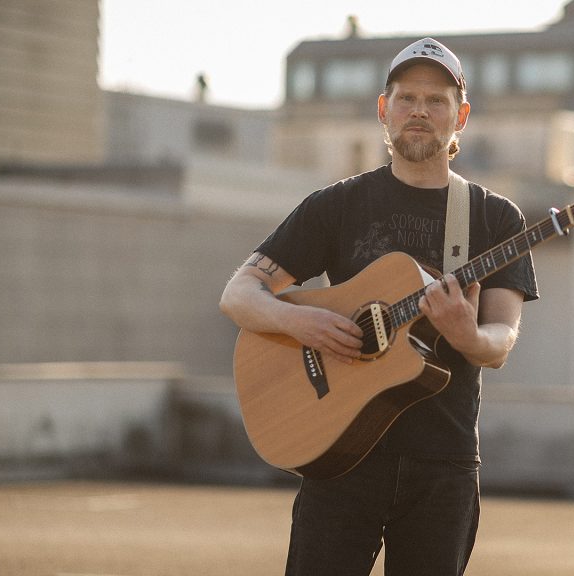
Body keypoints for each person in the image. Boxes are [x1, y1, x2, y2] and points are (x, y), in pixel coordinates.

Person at [219, 37, 538, 576]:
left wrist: (465, 335)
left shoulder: (492, 219)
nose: (419, 110)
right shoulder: (337, 205)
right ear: (383, 109)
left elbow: (500, 341)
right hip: (340, 455)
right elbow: (239, 294)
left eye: (436, 100)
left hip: (443, 464)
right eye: (406, 97)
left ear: (460, 116)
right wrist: (304, 322)